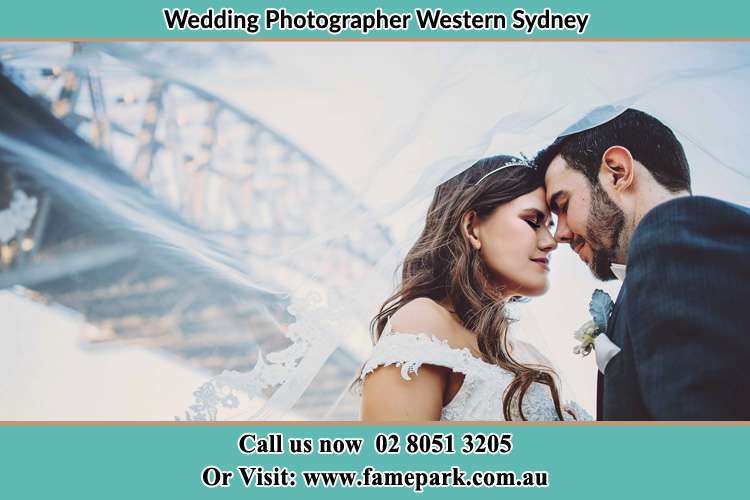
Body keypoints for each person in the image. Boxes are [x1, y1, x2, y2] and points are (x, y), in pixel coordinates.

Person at [536, 108, 750, 420]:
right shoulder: (692, 249)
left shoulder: (671, 238)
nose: (561, 234)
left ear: (617, 171)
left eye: (564, 205)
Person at [357, 155, 590, 421]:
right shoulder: (425, 323)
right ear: (472, 228)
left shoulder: (533, 358)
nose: (550, 242)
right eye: (532, 221)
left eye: (548, 226)